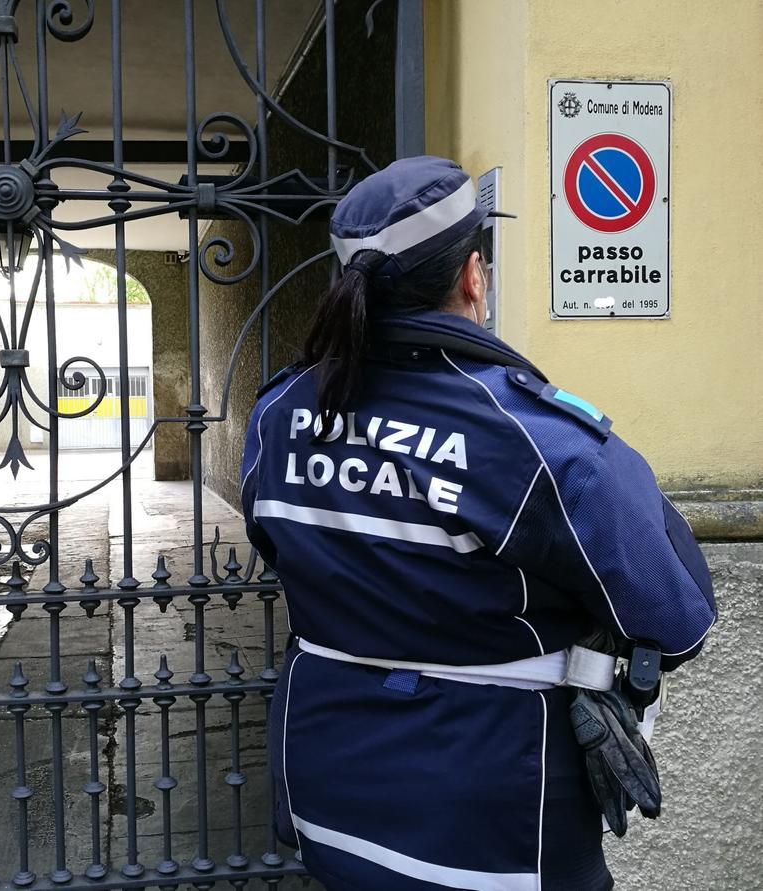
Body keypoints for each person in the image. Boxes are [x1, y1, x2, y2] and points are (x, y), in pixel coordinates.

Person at [239, 156, 715, 891]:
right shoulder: (540, 439)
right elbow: (679, 621)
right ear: (472, 276)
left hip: (327, 802)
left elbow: (292, 551)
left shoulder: (277, 414)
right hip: (492, 831)